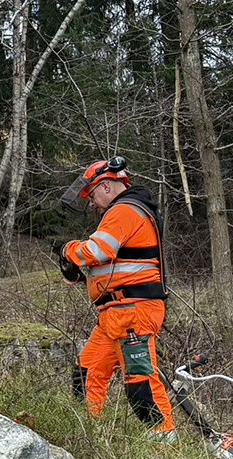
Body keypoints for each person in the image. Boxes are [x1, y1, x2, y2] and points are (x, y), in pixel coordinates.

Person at [60, 157, 174, 441]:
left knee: (141, 386)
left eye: (92, 195)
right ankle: (90, 437)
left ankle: (166, 450)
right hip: (116, 313)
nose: (91, 203)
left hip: (132, 311)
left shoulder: (124, 210)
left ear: (108, 186)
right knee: (86, 372)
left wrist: (69, 250)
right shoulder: (126, 211)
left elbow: (97, 251)